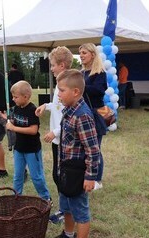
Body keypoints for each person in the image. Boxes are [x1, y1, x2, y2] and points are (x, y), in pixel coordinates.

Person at [56, 69, 100, 238]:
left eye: (61, 90)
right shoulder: (69, 110)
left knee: (80, 212)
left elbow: (92, 149)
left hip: (78, 173)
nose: (58, 94)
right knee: (66, 206)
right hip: (66, 169)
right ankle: (68, 234)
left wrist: (90, 176)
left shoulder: (82, 116)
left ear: (75, 92)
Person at [35, 46, 73, 223]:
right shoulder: (60, 85)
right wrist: (46, 106)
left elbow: (69, 115)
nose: (50, 68)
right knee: (57, 175)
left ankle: (66, 210)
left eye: (52, 65)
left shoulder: (67, 85)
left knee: (62, 176)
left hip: (63, 138)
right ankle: (64, 208)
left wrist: (55, 132)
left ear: (62, 65)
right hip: (58, 138)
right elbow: (58, 106)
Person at [0, 80, 51, 201]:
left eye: (16, 97)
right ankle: (17, 198)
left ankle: (46, 199)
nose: (13, 99)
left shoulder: (32, 110)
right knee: (18, 176)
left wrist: (13, 128)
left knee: (36, 176)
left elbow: (33, 130)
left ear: (26, 96)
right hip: (19, 149)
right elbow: (14, 121)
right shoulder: (17, 108)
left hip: (32, 150)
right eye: (12, 97)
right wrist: (8, 120)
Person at [79, 43, 107, 190]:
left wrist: (80, 86)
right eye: (80, 53)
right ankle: (88, 175)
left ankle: (97, 180)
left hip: (96, 114)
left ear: (93, 54)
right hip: (84, 113)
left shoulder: (100, 72)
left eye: (84, 52)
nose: (82, 55)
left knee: (95, 148)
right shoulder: (81, 72)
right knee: (86, 147)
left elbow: (99, 90)